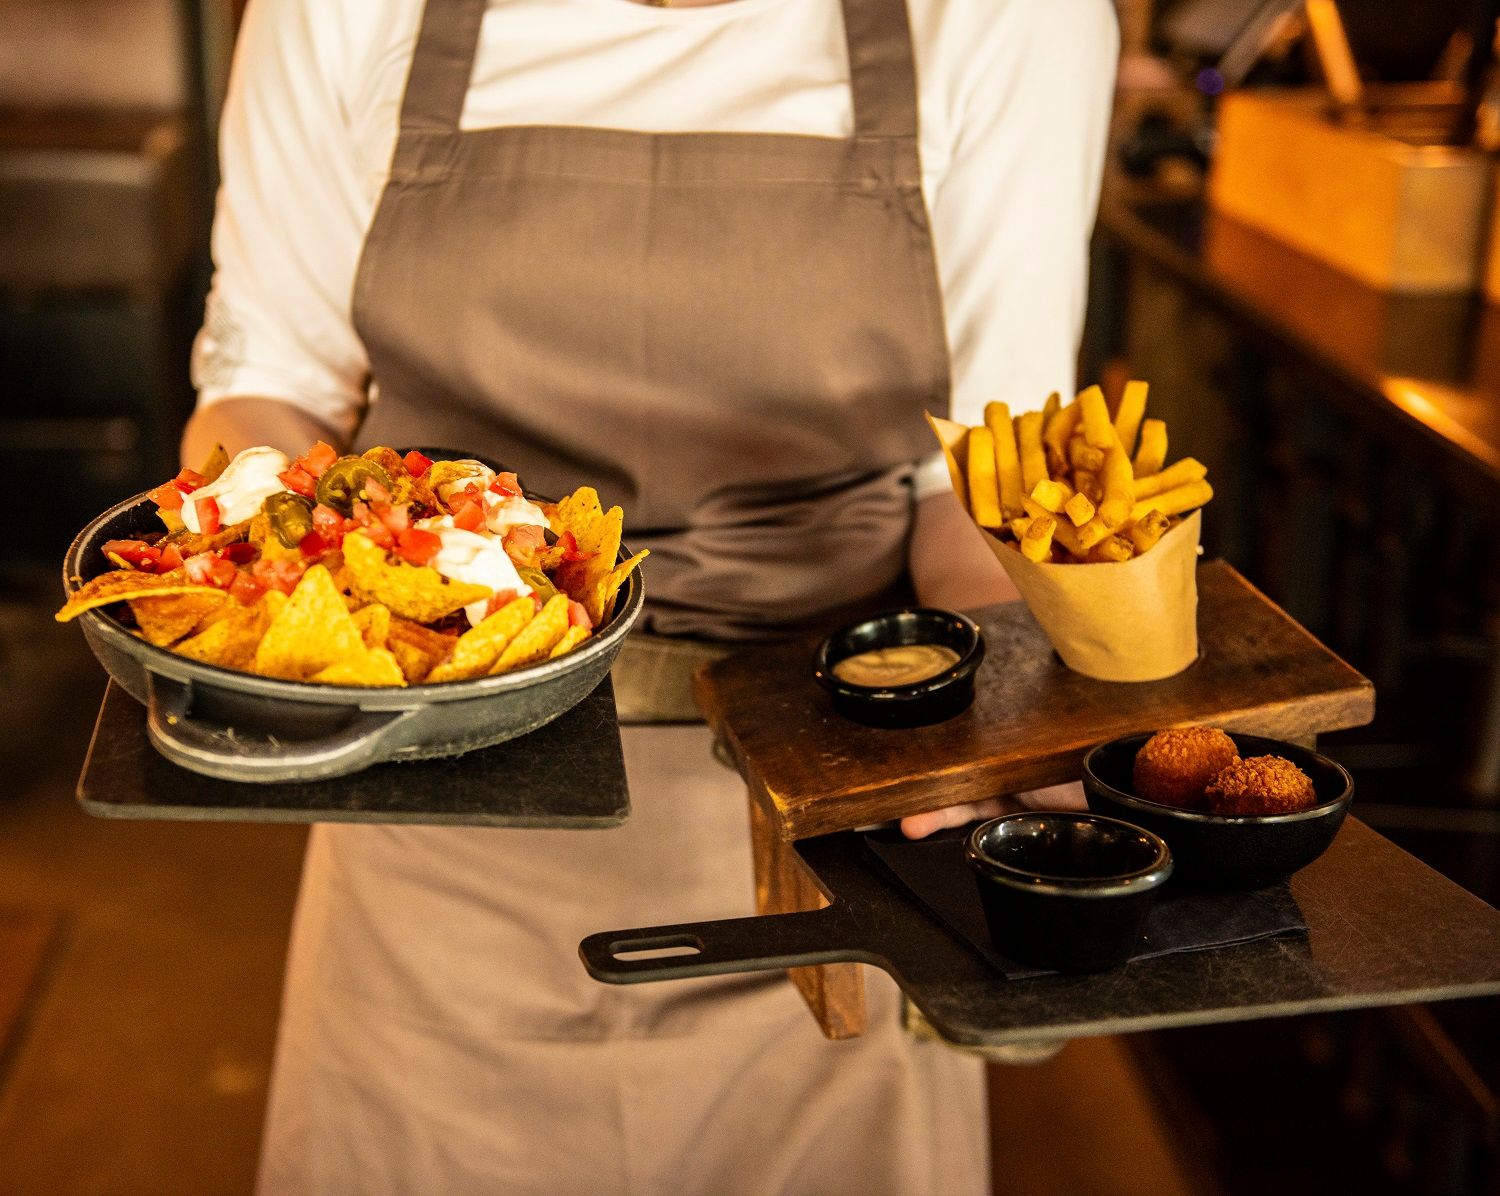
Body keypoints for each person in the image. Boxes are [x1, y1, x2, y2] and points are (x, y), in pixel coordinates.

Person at [182, 0, 1117, 1190]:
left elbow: (976, 476)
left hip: (837, 845)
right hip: (429, 818)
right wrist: (239, 542)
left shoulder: (1005, 19)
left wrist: (1019, 696)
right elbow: (268, 381)